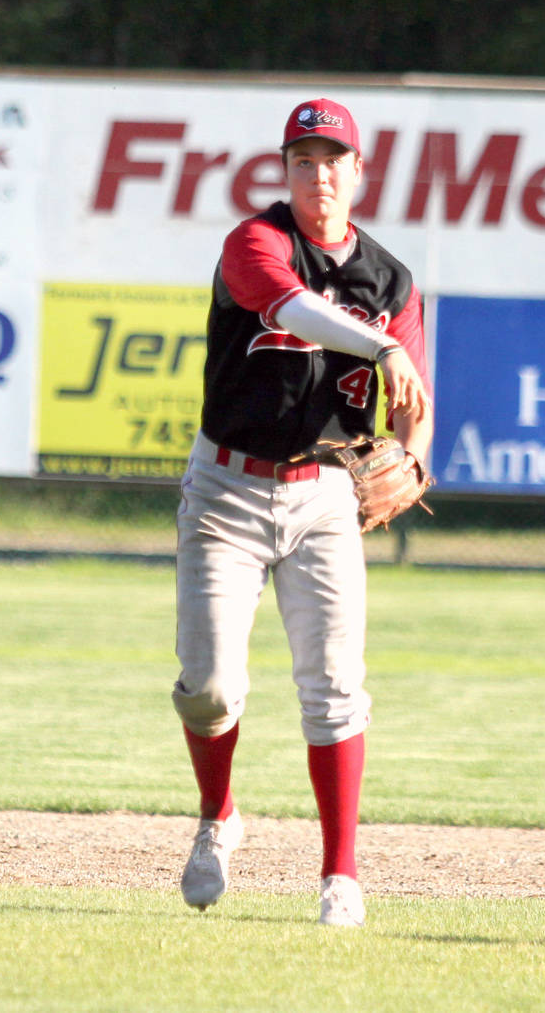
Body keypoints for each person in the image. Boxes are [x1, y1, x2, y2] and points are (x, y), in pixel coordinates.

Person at [171, 97, 432, 928]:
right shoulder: (255, 244)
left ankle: (340, 876)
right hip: (226, 492)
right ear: (284, 171)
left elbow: (410, 399)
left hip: (324, 496)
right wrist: (379, 343)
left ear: (357, 172)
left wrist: (414, 456)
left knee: (333, 690)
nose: (317, 175)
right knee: (210, 690)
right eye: (302, 160)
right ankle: (218, 817)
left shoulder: (390, 282)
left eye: (332, 160)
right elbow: (289, 310)